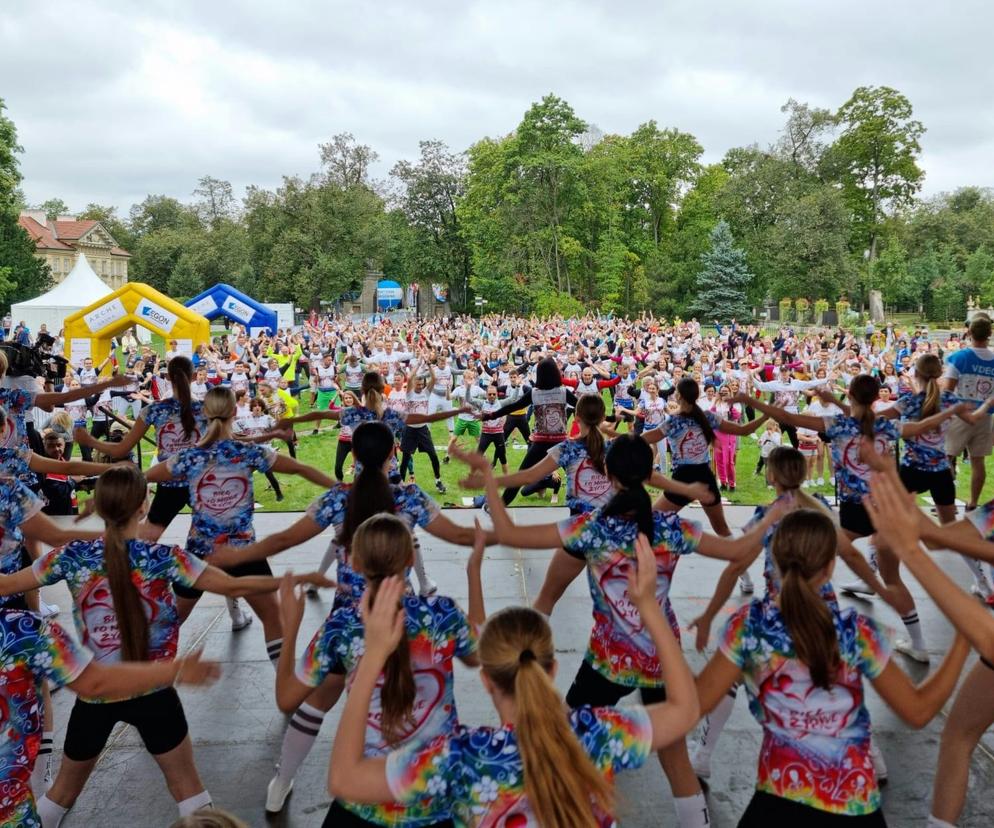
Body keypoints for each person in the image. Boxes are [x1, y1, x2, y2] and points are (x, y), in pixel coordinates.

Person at [456, 434, 786, 828]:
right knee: (676, 759)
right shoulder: (672, 528)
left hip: (607, 660)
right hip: (660, 659)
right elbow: (736, 551)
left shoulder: (590, 529)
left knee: (570, 738)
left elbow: (508, 534)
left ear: (607, 473)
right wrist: (769, 517)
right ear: (650, 475)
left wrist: (491, 477)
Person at [0, 465, 328, 827]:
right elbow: (235, 587)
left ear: (102, 508)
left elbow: (6, 585)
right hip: (154, 693)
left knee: (60, 796)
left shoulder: (71, 557)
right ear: (144, 505)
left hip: (95, 696)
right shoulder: (166, 559)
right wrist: (298, 578)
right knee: (189, 791)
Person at [327, 533, 702, 828]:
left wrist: (374, 656)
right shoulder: (598, 734)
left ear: (487, 680)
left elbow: (345, 780)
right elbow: (685, 710)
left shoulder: (461, 758)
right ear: (552, 669)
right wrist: (650, 608)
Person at [695, 506, 970, 825]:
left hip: (778, 802)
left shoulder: (748, 629)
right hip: (853, 805)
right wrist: (963, 642)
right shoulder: (857, 634)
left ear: (774, 562)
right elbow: (918, 711)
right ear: (828, 570)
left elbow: (694, 704)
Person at [686, 446, 898, 781]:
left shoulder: (766, 515)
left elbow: (734, 567)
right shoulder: (821, 509)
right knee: (840, 679)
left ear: (770, 475)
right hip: (825, 613)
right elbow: (853, 557)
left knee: (731, 678)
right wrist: (882, 588)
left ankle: (703, 754)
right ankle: (874, 756)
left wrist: (710, 616)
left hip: (777, 616)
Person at [736, 375, 967, 662]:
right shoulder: (886, 425)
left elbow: (786, 416)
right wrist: (951, 411)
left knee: (809, 569)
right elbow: (923, 426)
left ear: (851, 396)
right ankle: (919, 644)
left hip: (854, 513)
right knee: (892, 579)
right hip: (884, 512)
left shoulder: (839, 425)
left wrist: (750, 401)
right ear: (873, 398)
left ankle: (797, 629)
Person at [277, 512, 483, 824]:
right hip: (434, 799)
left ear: (354, 563)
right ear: (410, 561)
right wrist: (473, 571)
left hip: (364, 799)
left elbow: (286, 698)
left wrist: (289, 628)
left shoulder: (342, 626)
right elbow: (478, 655)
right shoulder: (443, 615)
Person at [145, 386, 336, 663]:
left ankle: (143, 674)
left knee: (171, 622)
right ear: (235, 412)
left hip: (200, 552)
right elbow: (300, 468)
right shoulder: (247, 453)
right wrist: (341, 488)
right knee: (273, 617)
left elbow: (141, 478)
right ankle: (286, 686)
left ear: (205, 414)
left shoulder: (189, 458)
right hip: (244, 551)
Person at [0, 607, 219, 828]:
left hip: (97, 704)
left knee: (62, 793)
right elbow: (95, 682)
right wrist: (175, 670)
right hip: (147, 694)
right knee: (187, 784)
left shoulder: (23, 622)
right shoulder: (19, 628)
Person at [651, 378, 769, 594]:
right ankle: (747, 578)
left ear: (678, 396)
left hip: (682, 478)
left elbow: (645, 437)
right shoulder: (707, 417)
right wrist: (767, 415)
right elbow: (742, 431)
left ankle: (644, 573)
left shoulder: (674, 421)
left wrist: (615, 441)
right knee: (722, 529)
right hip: (704, 476)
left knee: (650, 521)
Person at [943, 315, 994, 511]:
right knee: (978, 461)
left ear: (969, 332)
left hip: (959, 415)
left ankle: (948, 503)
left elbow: (947, 391)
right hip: (986, 416)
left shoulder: (959, 357)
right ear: (990, 334)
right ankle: (973, 502)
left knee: (947, 458)